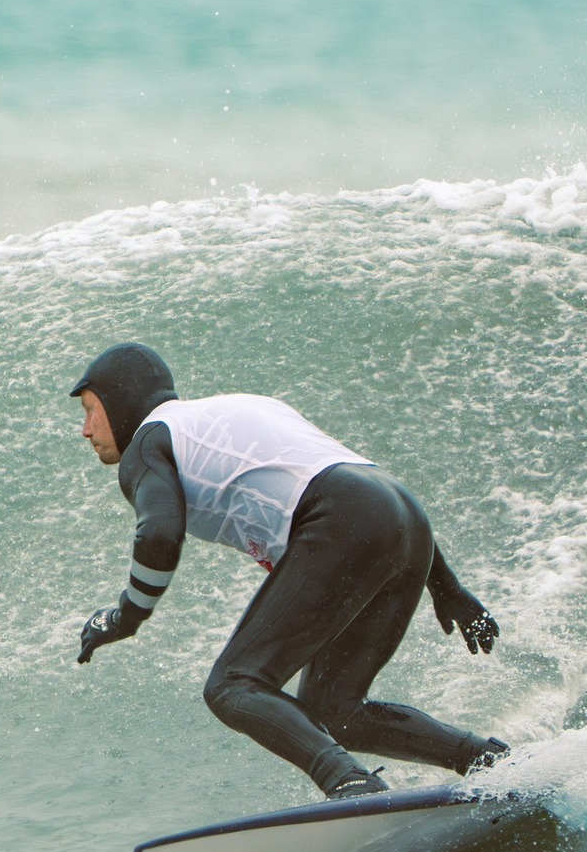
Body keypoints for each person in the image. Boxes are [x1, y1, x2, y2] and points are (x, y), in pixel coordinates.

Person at [69, 341, 510, 799]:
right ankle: (487, 759)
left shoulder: (148, 442)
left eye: (89, 410)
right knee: (335, 712)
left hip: (341, 522)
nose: (85, 430)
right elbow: (358, 484)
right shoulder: (237, 407)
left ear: (121, 399)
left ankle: (352, 785)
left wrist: (125, 617)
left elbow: (158, 534)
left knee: (233, 685)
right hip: (405, 519)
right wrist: (446, 587)